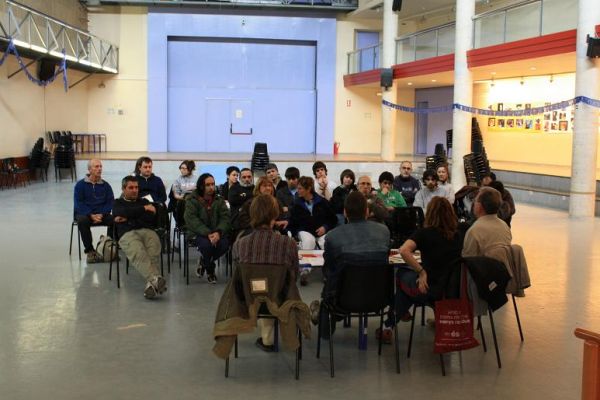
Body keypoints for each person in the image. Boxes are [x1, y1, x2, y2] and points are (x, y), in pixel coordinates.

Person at [378, 197, 463, 342]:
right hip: (452, 290)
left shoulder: (424, 233)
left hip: (428, 288)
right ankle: (396, 320)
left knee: (402, 275)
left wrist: (421, 272)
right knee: (410, 285)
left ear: (430, 213)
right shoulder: (459, 235)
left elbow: (404, 251)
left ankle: (389, 324)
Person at [310, 191, 390, 338]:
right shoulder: (384, 232)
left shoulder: (333, 236)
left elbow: (328, 269)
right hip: (379, 298)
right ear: (367, 211)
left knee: (331, 286)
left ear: (345, 212)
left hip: (342, 299)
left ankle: (326, 322)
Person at [232, 194, 301, 352]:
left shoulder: (239, 244)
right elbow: (294, 276)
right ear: (275, 214)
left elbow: (237, 278)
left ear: (252, 214)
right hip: (281, 300)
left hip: (248, 301)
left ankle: (267, 339)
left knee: (261, 286)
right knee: (273, 288)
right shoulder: (288, 244)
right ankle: (270, 337)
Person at [113, 176, 167, 299]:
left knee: (153, 251)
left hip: (147, 231)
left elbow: (150, 218)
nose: (135, 190)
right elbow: (121, 213)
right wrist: (143, 209)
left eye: (136, 187)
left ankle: (152, 284)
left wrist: (129, 218)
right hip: (128, 233)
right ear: (123, 189)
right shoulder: (118, 203)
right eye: (131, 188)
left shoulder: (144, 201)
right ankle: (155, 279)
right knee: (138, 253)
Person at [289, 176, 337, 285]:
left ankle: (327, 272)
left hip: (322, 231)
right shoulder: (296, 204)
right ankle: (304, 270)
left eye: (300, 188)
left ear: (308, 189)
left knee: (325, 243)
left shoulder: (323, 202)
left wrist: (325, 227)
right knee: (308, 241)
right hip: (305, 231)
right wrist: (295, 234)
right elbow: (293, 222)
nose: (298, 190)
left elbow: (333, 219)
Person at [184, 173, 231, 284]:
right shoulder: (192, 200)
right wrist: (208, 233)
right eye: (208, 185)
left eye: (213, 184)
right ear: (201, 186)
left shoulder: (219, 200)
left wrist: (218, 232)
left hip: (217, 232)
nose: (211, 187)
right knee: (206, 246)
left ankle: (204, 262)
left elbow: (226, 218)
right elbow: (192, 220)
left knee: (224, 245)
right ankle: (210, 271)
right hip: (198, 232)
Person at [73, 159, 114, 263]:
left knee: (115, 220)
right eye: (96, 166)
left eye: (100, 166)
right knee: (82, 221)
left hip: (101, 214)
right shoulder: (80, 185)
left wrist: (101, 214)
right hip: (85, 214)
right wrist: (90, 215)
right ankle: (90, 251)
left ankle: (109, 246)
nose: (99, 169)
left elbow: (110, 202)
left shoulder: (106, 185)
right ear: (89, 169)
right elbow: (79, 203)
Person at [462, 187, 512, 267]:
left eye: (475, 200)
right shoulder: (505, 227)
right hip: (503, 271)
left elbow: (467, 261)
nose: (473, 203)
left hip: (481, 273)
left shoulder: (474, 230)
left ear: (479, 206)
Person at [228, 168, 254, 233]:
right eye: (244, 177)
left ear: (252, 177)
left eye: (249, 177)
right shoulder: (234, 188)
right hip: (237, 223)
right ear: (239, 178)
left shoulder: (256, 188)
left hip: (253, 222)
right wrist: (250, 197)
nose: (247, 179)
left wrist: (243, 196)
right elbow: (232, 200)